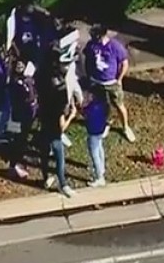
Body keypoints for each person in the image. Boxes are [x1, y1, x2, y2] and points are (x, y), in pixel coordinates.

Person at [84, 25, 136, 142]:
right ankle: (106, 123)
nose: (91, 37)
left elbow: (125, 63)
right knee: (102, 105)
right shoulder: (91, 45)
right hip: (97, 82)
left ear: (100, 35)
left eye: (94, 35)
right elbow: (88, 59)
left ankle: (125, 127)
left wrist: (119, 79)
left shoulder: (115, 46)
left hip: (112, 83)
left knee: (119, 105)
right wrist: (89, 76)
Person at [38, 66, 77, 198]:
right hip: (55, 135)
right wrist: (71, 115)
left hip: (44, 129)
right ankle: (63, 183)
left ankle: (45, 179)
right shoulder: (58, 108)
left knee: (44, 156)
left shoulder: (43, 96)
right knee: (59, 158)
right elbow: (62, 127)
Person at [7, 57, 39, 179]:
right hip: (19, 116)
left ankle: (16, 163)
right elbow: (29, 98)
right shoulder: (20, 83)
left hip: (22, 115)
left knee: (20, 140)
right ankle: (14, 165)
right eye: (18, 66)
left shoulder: (24, 81)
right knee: (18, 141)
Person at [83, 86, 111, 187]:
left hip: (93, 133)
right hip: (101, 131)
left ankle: (99, 177)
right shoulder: (103, 105)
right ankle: (102, 168)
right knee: (100, 148)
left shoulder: (91, 107)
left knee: (94, 154)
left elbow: (84, 112)